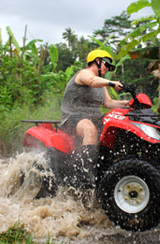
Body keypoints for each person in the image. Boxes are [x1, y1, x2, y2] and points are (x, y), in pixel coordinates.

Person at [59, 49, 129, 187]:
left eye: (109, 67)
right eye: (106, 65)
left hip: (95, 117)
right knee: (89, 128)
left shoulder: (101, 84)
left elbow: (109, 103)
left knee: (119, 128)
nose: (107, 69)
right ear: (97, 61)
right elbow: (91, 81)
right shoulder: (85, 74)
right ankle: (85, 173)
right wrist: (112, 83)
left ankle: (115, 167)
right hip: (73, 117)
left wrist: (129, 104)